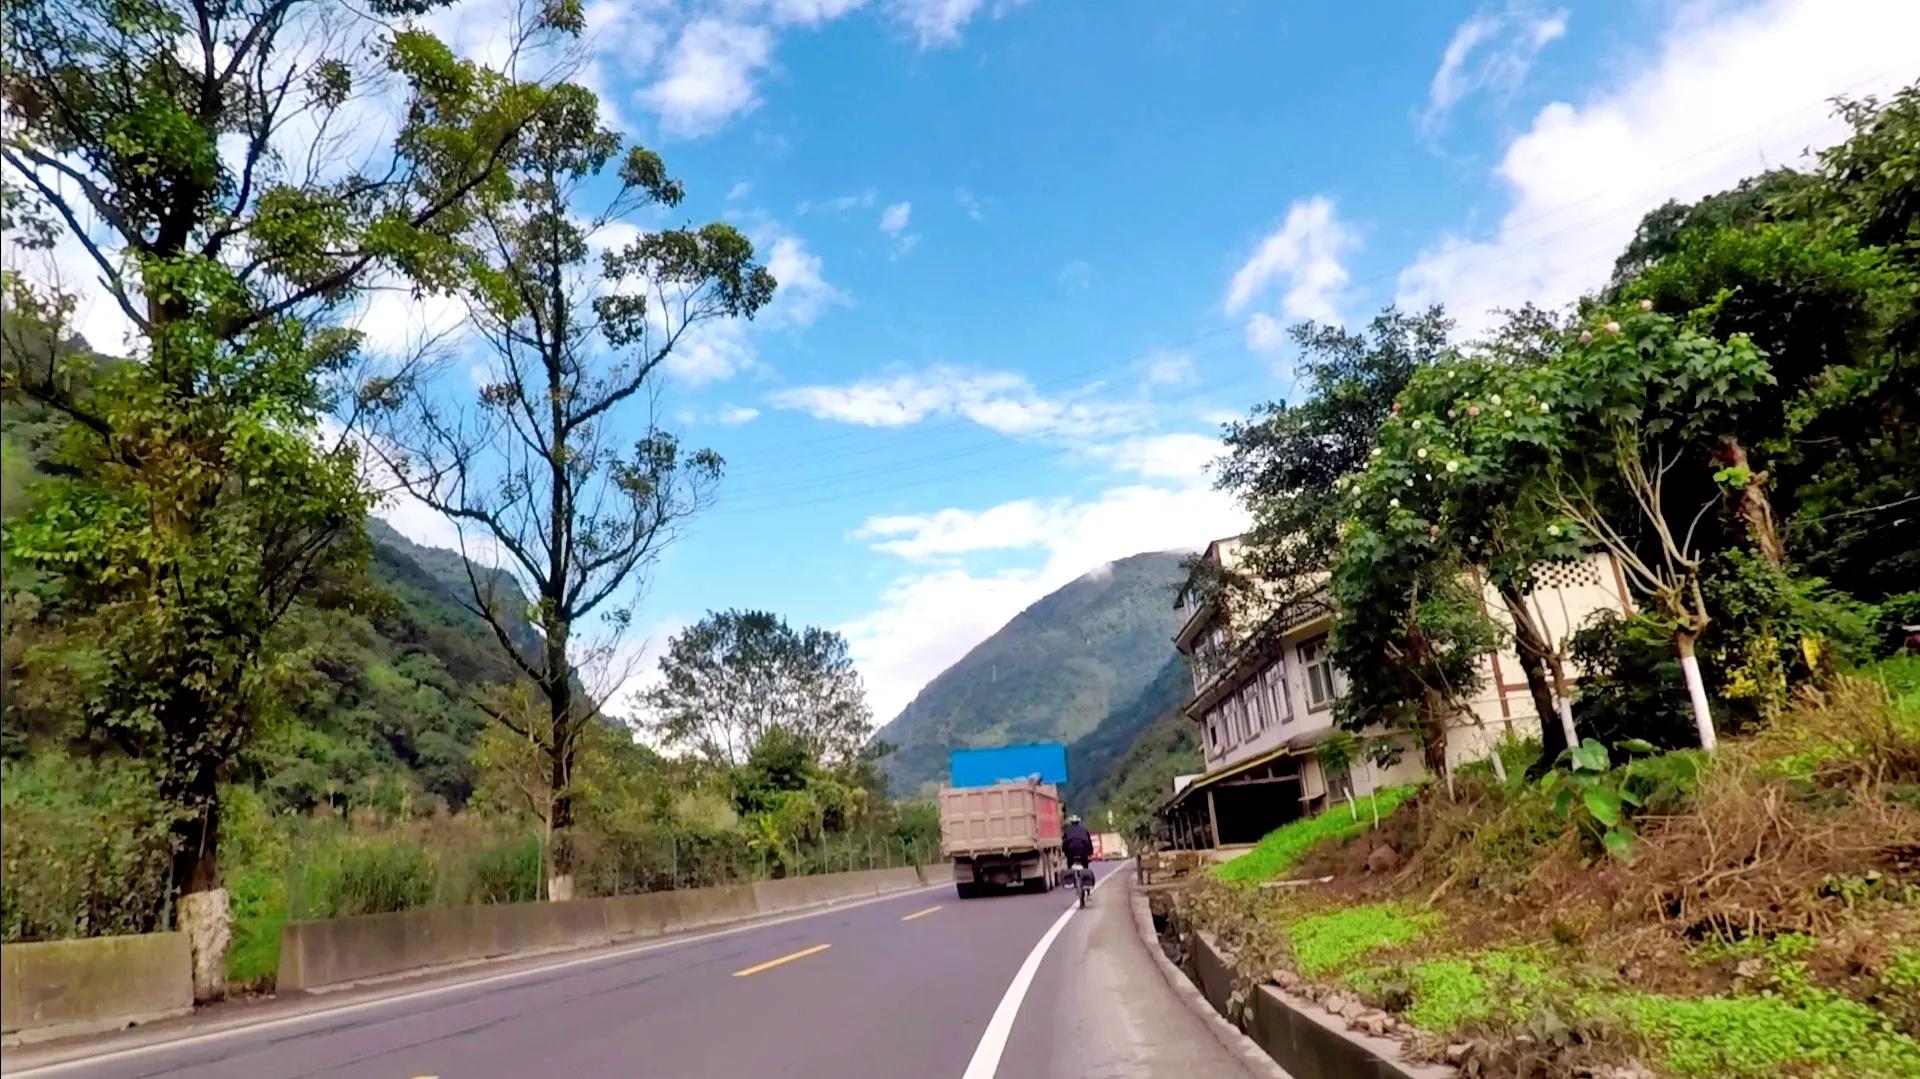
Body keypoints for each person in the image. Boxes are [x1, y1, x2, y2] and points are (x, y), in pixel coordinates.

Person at [1061, 814, 1094, 888]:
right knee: (1085, 864)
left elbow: (1064, 844)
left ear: (1071, 822)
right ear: (1078, 822)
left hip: (1071, 851)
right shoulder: (1084, 829)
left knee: (1069, 863)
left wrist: (1065, 853)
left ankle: (1071, 879)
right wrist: (1090, 853)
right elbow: (1089, 842)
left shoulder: (1067, 830)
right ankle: (1086, 881)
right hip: (1083, 850)